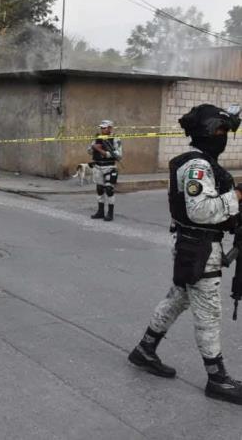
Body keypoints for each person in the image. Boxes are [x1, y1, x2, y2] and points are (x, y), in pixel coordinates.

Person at [128, 104, 242, 405]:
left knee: (177, 299)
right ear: (206, 132)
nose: (224, 136)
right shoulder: (197, 166)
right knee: (209, 313)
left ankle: (144, 350)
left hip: (193, 247)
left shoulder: (203, 162)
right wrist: (237, 196)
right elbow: (201, 210)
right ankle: (217, 379)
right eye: (219, 130)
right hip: (200, 248)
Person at [88, 120, 122, 221]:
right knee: (99, 189)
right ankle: (100, 211)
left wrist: (101, 150)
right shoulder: (97, 138)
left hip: (109, 167)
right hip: (98, 166)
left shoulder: (115, 139)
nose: (102, 129)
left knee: (109, 190)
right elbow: (89, 150)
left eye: (105, 127)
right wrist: (93, 148)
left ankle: (110, 213)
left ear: (110, 128)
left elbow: (119, 155)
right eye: (101, 128)